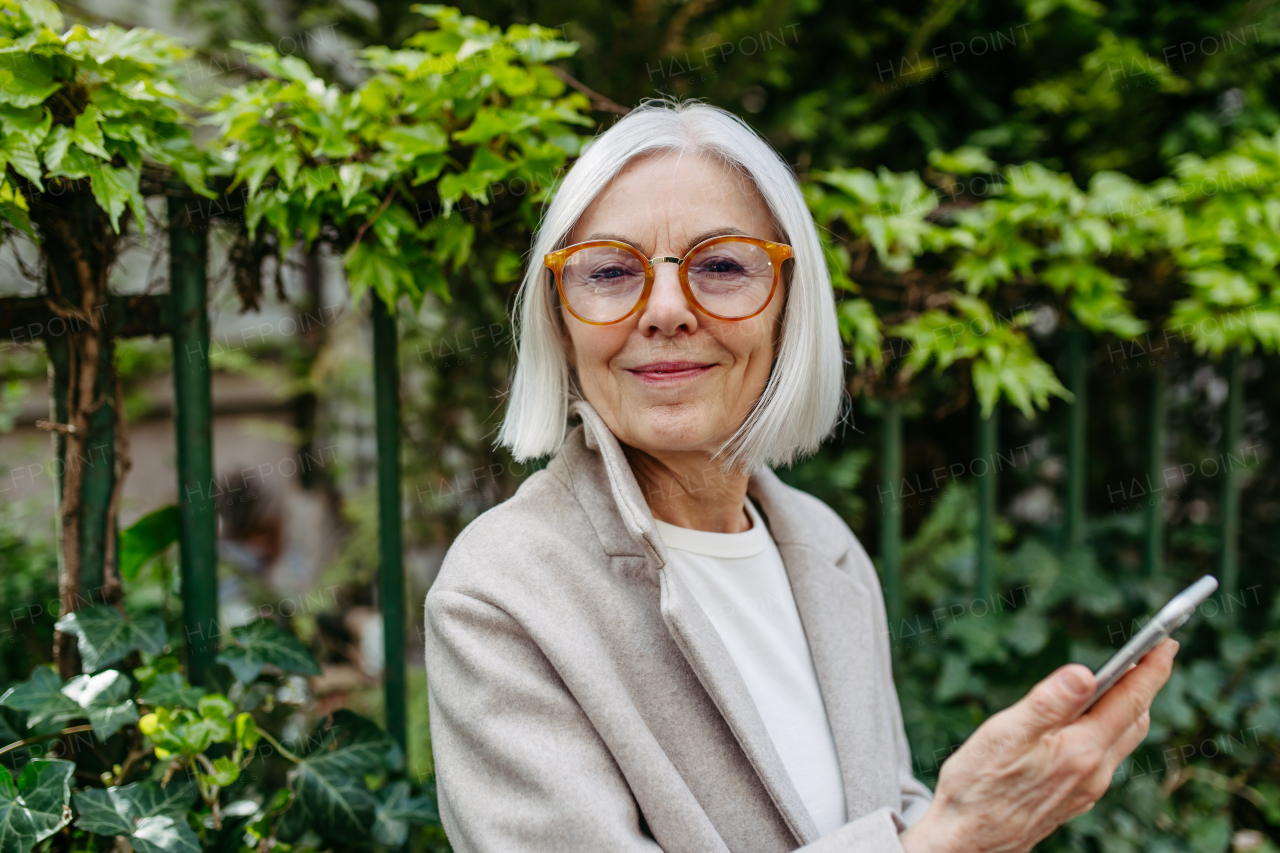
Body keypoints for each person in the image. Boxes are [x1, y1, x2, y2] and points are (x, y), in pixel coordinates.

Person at [422, 99, 1177, 853]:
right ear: (560, 319)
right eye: (611, 271)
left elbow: (887, 807)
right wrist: (950, 840)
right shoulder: (503, 592)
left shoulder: (825, 546)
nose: (664, 310)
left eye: (720, 264)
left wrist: (977, 809)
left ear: (788, 306)